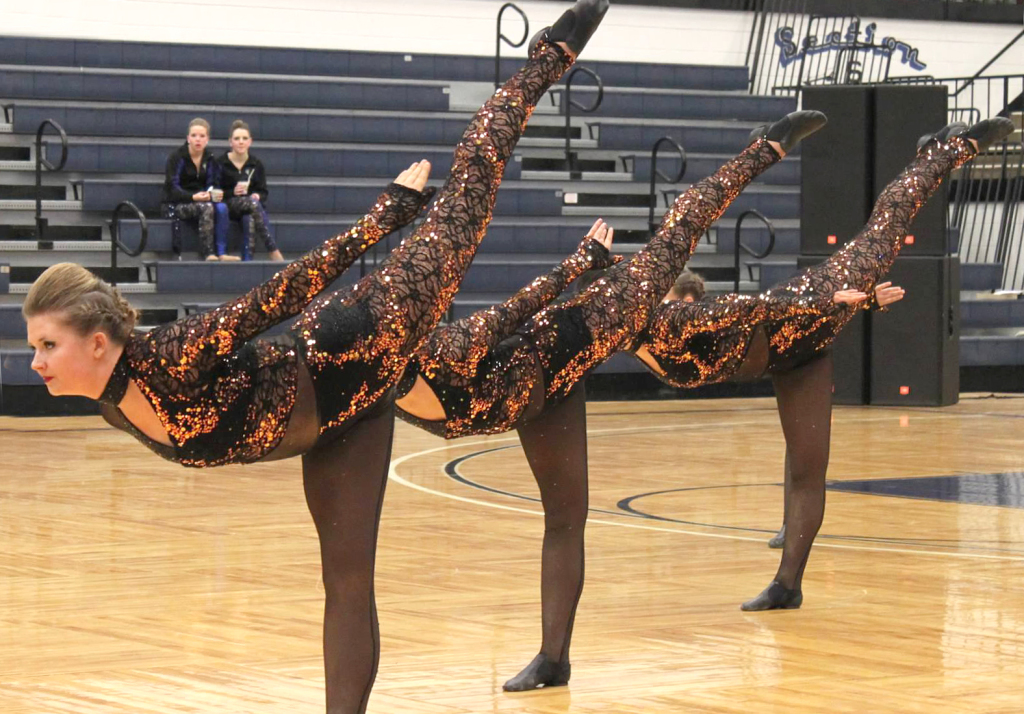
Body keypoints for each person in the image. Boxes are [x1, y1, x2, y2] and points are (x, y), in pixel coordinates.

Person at [21, 3, 608, 711]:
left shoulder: (168, 358)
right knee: (347, 581)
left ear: (97, 341)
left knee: (471, 186)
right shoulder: (112, 404)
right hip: (339, 419)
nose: (37, 363)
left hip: (369, 326)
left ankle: (547, 59)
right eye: (33, 348)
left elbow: (275, 296)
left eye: (47, 345)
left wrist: (384, 219)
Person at [392, 109, 828, 692]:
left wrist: (581, 265)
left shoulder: (441, 350)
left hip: (590, 321)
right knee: (563, 521)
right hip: (549, 385)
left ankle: (766, 148)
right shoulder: (380, 392)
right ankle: (554, 661)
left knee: (684, 223)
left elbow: (510, 313)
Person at [632, 118, 1012, 613]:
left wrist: (832, 301)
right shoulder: (636, 328)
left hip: (802, 310)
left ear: (680, 294)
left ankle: (943, 152)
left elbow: (743, 308)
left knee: (886, 230)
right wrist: (856, 304)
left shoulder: (682, 314)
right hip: (798, 346)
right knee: (807, 467)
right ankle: (788, 583)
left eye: (665, 293)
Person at [161, 117, 229, 261]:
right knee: (206, 208)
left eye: (202, 136)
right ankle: (208, 252)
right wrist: (193, 197)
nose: (198, 139)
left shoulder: (210, 158)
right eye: (194, 136)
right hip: (175, 204)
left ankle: (222, 252)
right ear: (188, 138)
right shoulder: (177, 157)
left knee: (220, 207)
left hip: (200, 200)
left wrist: (213, 193)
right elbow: (172, 189)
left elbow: (213, 183)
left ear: (207, 139)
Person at [218, 120, 285, 261]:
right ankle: (272, 248)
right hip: (228, 204)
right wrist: (232, 192)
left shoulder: (256, 164)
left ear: (250, 142)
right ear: (230, 142)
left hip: (250, 207)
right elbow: (216, 190)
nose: (241, 142)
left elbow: (263, 191)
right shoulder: (221, 163)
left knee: (249, 218)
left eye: (244, 139)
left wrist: (257, 195)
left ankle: (247, 261)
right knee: (252, 205)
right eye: (237, 139)